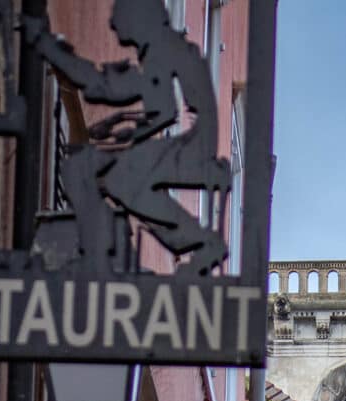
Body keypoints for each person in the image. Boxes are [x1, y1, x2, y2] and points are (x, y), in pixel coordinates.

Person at [24, 0, 229, 276]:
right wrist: (116, 125)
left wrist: (119, 132)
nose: (113, 24)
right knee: (97, 170)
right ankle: (104, 249)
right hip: (194, 140)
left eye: (119, 15)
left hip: (195, 143)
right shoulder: (161, 48)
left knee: (111, 175)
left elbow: (161, 110)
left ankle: (193, 240)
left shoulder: (161, 49)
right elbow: (122, 94)